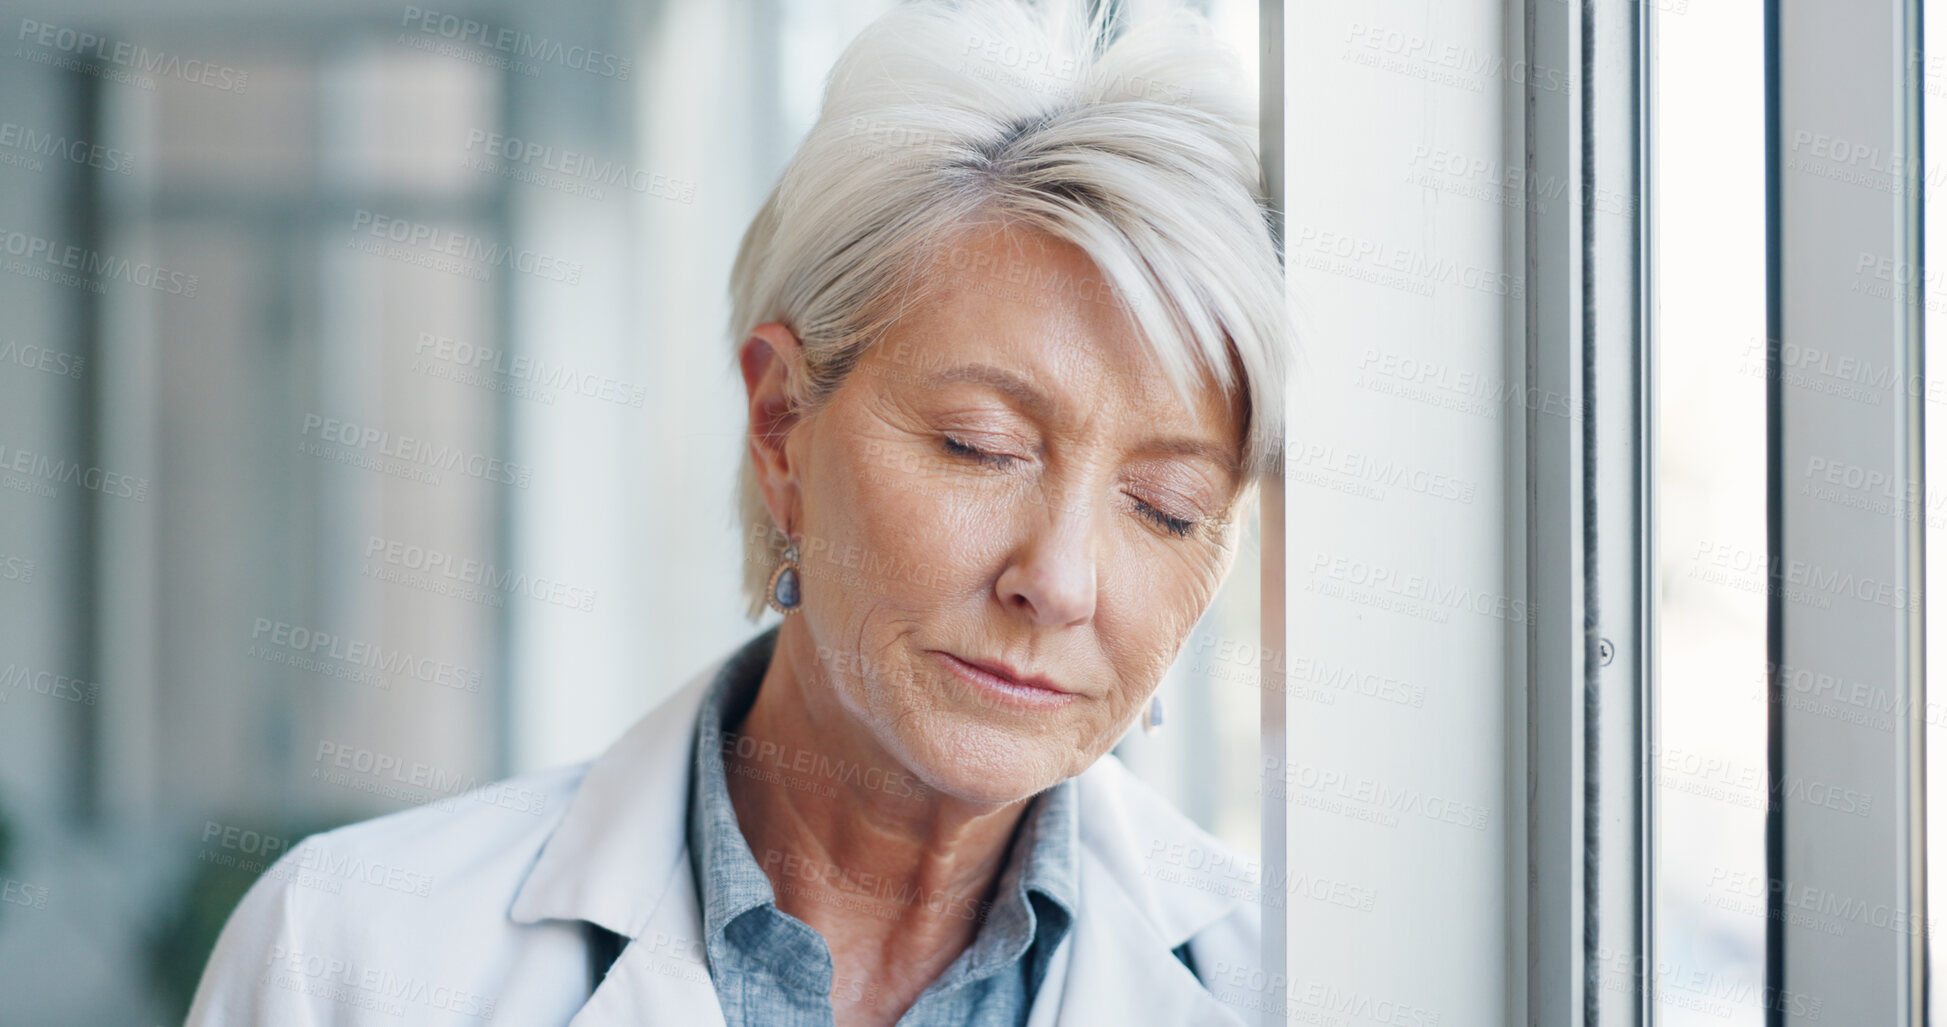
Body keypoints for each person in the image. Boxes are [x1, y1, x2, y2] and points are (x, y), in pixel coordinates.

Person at [186, 0, 1290, 1023]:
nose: (1057, 580)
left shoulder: (1287, 983)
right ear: (779, 425)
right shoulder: (346, 952)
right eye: (980, 447)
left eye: (1169, 508)